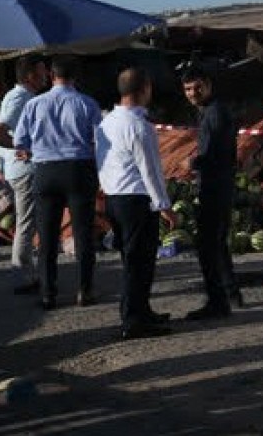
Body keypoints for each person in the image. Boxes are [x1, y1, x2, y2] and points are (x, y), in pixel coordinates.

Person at [96, 67, 179, 340]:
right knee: (139, 263)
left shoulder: (106, 123)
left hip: (114, 198)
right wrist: (164, 205)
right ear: (144, 89)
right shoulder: (139, 127)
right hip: (136, 201)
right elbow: (151, 171)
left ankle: (141, 310)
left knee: (133, 261)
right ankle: (133, 320)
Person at [13, 55, 102, 310]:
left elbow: (20, 142)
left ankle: (48, 294)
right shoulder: (87, 104)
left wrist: (31, 151)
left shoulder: (34, 104)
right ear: (75, 77)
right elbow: (99, 141)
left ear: (52, 76)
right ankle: (85, 290)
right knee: (83, 233)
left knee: (47, 235)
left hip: (45, 172)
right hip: (78, 169)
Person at [0, 55, 51, 295]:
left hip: (18, 170)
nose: (46, 76)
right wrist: (22, 146)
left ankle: (28, 271)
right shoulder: (19, 98)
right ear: (30, 75)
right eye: (43, 71)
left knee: (25, 221)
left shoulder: (23, 97)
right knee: (25, 223)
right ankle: (23, 274)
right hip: (23, 172)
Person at [182, 65, 240, 320]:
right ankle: (230, 293)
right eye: (187, 89)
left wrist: (190, 165)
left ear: (208, 85)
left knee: (208, 247)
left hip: (216, 187)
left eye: (197, 87)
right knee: (218, 244)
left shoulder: (214, 114)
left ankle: (218, 302)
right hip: (218, 184)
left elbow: (212, 154)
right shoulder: (209, 112)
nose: (192, 93)